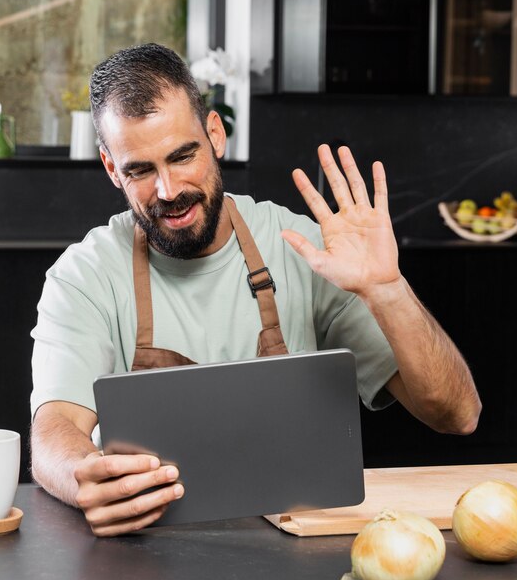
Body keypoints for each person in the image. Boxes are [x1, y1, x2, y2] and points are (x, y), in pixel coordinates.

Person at [30, 43, 481, 537]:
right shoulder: (84, 275)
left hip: (303, 545)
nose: (168, 190)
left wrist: (389, 290)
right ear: (112, 169)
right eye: (140, 170)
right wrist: (83, 479)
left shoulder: (304, 249)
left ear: (216, 135)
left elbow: (456, 415)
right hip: (147, 559)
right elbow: (55, 430)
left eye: (183, 155)